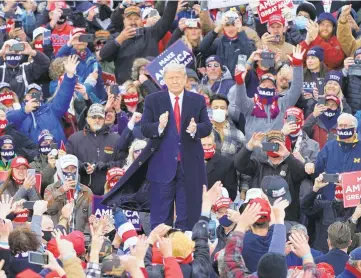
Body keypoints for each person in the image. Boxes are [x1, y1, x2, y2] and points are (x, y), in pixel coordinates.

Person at [103, 63, 212, 231]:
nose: (175, 81)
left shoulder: (197, 100)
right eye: (171, 78)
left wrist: (196, 129)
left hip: (189, 167)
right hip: (161, 167)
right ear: (164, 80)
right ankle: (158, 252)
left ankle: (186, 252)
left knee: (188, 218)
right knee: (160, 219)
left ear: (185, 79)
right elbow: (146, 128)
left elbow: (207, 126)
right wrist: (159, 126)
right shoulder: (153, 100)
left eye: (178, 77)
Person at [229, 45, 304, 142]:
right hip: (252, 154)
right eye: (264, 85)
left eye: (270, 86)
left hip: (275, 153)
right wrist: (239, 82)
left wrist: (297, 65)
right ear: (258, 88)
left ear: (276, 89)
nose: (267, 87)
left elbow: (296, 89)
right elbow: (239, 100)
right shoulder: (250, 104)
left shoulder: (282, 103)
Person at [234, 130, 307, 222]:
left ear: (284, 145)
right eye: (270, 144)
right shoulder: (259, 164)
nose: (274, 147)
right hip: (262, 218)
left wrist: (286, 154)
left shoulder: (291, 165)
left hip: (286, 219)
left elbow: (301, 174)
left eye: (277, 144)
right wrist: (250, 145)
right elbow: (238, 164)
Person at [6, 55, 78, 145]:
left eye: (37, 94)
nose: (34, 96)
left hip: (57, 153)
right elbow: (8, 119)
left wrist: (69, 77)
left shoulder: (51, 109)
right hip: (33, 156)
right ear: (25, 97)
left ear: (41, 97)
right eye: (31, 94)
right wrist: (24, 111)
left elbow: (64, 96)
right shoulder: (21, 114)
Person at [100, 2, 178, 84]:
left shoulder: (151, 33)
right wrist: (120, 39)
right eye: (129, 19)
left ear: (142, 20)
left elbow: (168, 17)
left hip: (150, 84)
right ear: (124, 21)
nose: (133, 22)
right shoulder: (116, 37)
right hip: (127, 88)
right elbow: (103, 55)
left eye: (136, 19)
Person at [66, 103, 124, 196]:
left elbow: (122, 162)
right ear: (87, 119)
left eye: (100, 117)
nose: (97, 120)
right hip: (82, 194)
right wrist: (82, 166)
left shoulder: (116, 139)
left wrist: (104, 166)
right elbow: (67, 161)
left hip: (109, 193)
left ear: (104, 119)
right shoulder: (74, 139)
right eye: (93, 117)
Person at [311, 113, 361, 200]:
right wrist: (311, 165)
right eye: (341, 125)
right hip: (329, 200)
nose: (343, 128)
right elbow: (317, 170)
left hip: (354, 200)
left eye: (346, 125)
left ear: (355, 129)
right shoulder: (329, 146)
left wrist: (349, 183)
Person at [44, 154, 93, 232]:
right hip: (58, 235)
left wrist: (85, 237)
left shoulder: (87, 191)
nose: (70, 172)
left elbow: (91, 218)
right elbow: (48, 209)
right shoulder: (51, 188)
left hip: (79, 237)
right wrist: (61, 190)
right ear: (60, 169)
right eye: (66, 168)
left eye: (73, 168)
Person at [199, 10, 255, 77]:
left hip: (240, 83)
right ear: (223, 27)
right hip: (221, 83)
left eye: (233, 25)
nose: (230, 29)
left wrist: (241, 31)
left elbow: (249, 53)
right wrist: (218, 28)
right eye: (227, 25)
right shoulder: (218, 42)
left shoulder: (247, 42)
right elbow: (202, 48)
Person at [56, 27, 106, 101]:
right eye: (77, 38)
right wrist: (69, 44)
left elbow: (99, 85)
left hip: (89, 99)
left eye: (83, 38)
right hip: (71, 99)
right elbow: (57, 59)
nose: (81, 41)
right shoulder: (68, 56)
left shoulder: (93, 60)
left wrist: (102, 100)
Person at [201, 134, 237, 201]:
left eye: (209, 145)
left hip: (216, 206)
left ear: (214, 145)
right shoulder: (189, 162)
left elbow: (231, 193)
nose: (206, 147)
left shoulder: (227, 163)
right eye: (203, 145)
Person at [29, 130, 57, 197]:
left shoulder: (61, 159)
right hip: (44, 200)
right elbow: (36, 185)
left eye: (51, 143)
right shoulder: (32, 165)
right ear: (39, 147)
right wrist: (50, 167)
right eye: (45, 143)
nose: (49, 145)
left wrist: (66, 158)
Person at [342, 47, 361, 114]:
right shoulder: (348, 74)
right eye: (358, 58)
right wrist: (345, 70)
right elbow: (339, 90)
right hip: (351, 114)